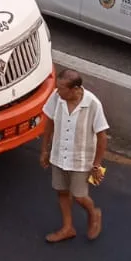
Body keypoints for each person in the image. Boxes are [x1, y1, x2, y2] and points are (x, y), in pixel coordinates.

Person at [39, 67, 109, 243]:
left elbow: (102, 137)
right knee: (62, 192)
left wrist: (97, 165)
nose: (57, 91)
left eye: (62, 88)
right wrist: (44, 150)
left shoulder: (93, 104)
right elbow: (49, 124)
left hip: (81, 161)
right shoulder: (57, 97)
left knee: (79, 196)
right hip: (59, 156)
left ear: (75, 89)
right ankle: (67, 227)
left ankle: (94, 213)